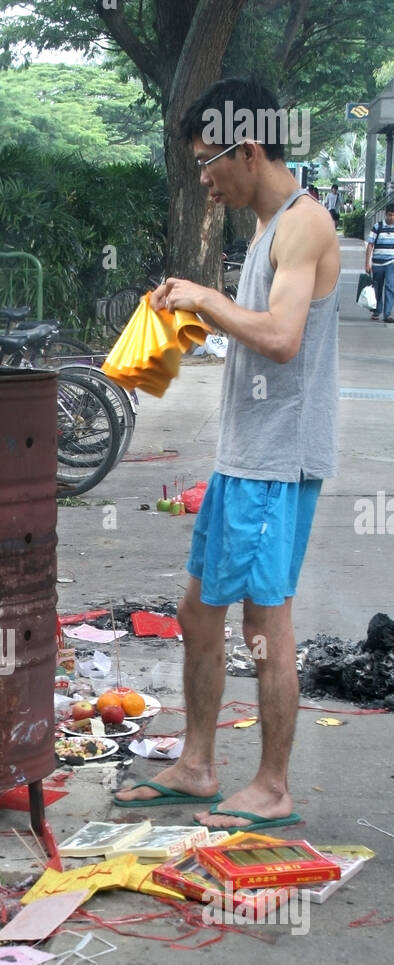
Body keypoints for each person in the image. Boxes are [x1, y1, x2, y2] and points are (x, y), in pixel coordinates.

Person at [114, 74, 340, 831]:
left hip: (278, 463)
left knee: (264, 624)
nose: (204, 179)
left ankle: (272, 786)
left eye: (209, 163)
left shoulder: (304, 224)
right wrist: (191, 314)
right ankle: (199, 763)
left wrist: (207, 301)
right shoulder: (265, 226)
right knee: (198, 609)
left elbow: (282, 339)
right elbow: (257, 321)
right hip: (243, 457)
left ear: (247, 148)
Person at [365, 202, 394, 323]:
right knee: (377, 288)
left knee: (390, 287)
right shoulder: (378, 227)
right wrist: (367, 263)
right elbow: (370, 245)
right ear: (385, 214)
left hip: (391, 263)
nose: (392, 218)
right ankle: (377, 310)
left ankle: (387, 314)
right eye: (389, 215)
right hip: (377, 264)